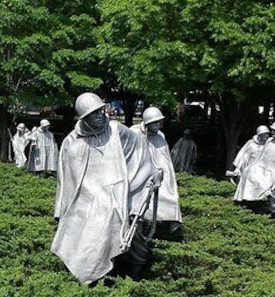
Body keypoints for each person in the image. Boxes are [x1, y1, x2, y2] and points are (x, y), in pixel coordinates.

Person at [52, 92, 159, 284]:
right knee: (86, 226)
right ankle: (90, 274)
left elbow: (140, 153)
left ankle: (133, 274)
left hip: (118, 193)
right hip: (85, 198)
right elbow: (65, 179)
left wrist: (149, 177)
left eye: (101, 111)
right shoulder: (71, 142)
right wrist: (62, 208)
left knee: (123, 222)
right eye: (93, 114)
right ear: (83, 118)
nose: (100, 116)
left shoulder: (117, 131)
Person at [229, 120, 275, 218]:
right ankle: (249, 203)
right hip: (265, 171)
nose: (272, 133)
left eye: (274, 131)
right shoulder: (269, 142)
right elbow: (260, 158)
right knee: (248, 173)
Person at [132, 107, 182, 231]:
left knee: (170, 198)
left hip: (159, 176)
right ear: (148, 123)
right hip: (140, 176)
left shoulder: (160, 136)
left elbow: (165, 162)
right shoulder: (134, 133)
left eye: (159, 122)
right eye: (155, 122)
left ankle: (166, 227)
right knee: (140, 200)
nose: (158, 125)